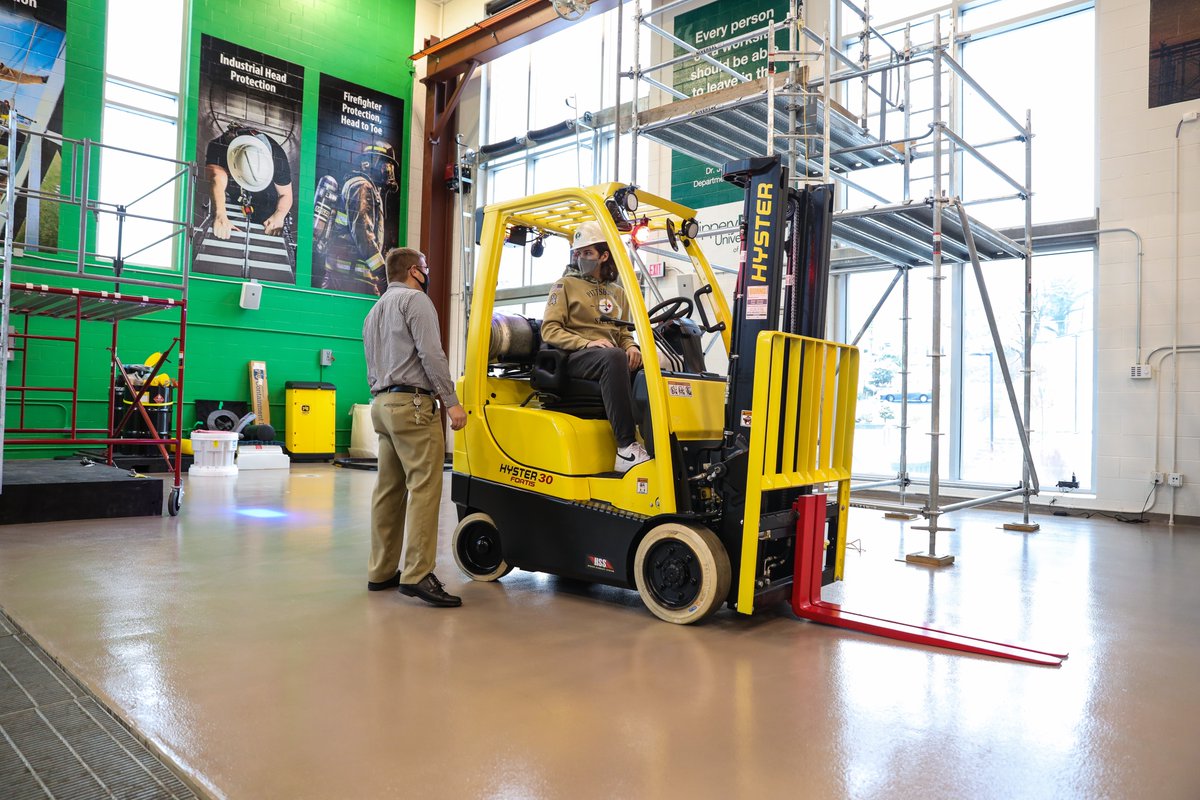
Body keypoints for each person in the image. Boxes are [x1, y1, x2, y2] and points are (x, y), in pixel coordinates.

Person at [363, 247, 467, 607]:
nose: (428, 271)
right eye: (425, 266)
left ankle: (381, 571)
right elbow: (431, 354)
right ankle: (418, 574)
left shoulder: (374, 311)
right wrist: (451, 401)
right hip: (414, 405)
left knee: (388, 491)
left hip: (381, 404)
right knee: (424, 487)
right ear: (412, 271)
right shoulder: (416, 301)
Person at [540, 221, 651, 474]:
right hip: (576, 357)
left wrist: (632, 346)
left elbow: (622, 332)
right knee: (612, 356)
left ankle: (654, 441)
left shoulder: (618, 292)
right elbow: (550, 329)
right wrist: (588, 342)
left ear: (603, 256)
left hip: (608, 358)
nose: (581, 258)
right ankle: (625, 447)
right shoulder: (564, 285)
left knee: (654, 363)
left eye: (587, 253)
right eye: (578, 253)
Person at [317, 141, 399, 295]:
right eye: (386, 164)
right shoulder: (361, 186)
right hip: (350, 279)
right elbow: (362, 232)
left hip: (350, 278)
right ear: (371, 163)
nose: (388, 170)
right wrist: (382, 272)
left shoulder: (365, 187)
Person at [204, 126, 293, 240]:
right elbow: (217, 179)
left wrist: (279, 215)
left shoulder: (277, 157)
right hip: (234, 191)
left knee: (265, 215)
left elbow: (285, 194)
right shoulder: (219, 147)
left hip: (265, 196)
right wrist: (220, 214)